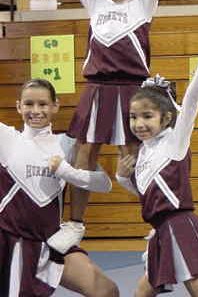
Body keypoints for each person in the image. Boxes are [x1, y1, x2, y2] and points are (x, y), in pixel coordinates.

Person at [29, 0, 179, 254]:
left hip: (132, 92)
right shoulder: (95, 4)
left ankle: (159, 223)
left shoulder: (143, 6)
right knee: (84, 153)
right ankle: (75, 223)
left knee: (135, 157)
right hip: (96, 90)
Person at [116, 33, 198, 296]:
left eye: (147, 116)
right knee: (142, 292)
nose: (139, 124)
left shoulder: (175, 142)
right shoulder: (143, 152)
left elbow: (191, 100)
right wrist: (122, 178)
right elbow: (150, 195)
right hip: (161, 232)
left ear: (166, 118)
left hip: (180, 227)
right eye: (133, 117)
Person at [0, 78, 118, 296]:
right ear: (18, 106)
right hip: (11, 241)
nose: (36, 111)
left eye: (43, 104)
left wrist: (66, 171)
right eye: (29, 104)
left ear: (55, 105)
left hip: (53, 241)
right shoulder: (6, 139)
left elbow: (104, 184)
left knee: (106, 290)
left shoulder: (66, 144)